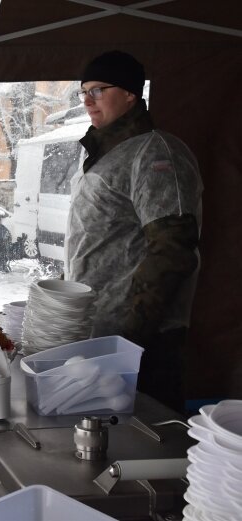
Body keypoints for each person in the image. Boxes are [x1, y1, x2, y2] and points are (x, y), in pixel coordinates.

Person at [65, 51, 203, 413]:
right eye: (83, 92)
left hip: (144, 342)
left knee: (150, 444)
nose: (87, 101)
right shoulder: (104, 153)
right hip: (101, 333)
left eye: (98, 89)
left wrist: (130, 338)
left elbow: (173, 249)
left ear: (130, 94)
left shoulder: (156, 154)